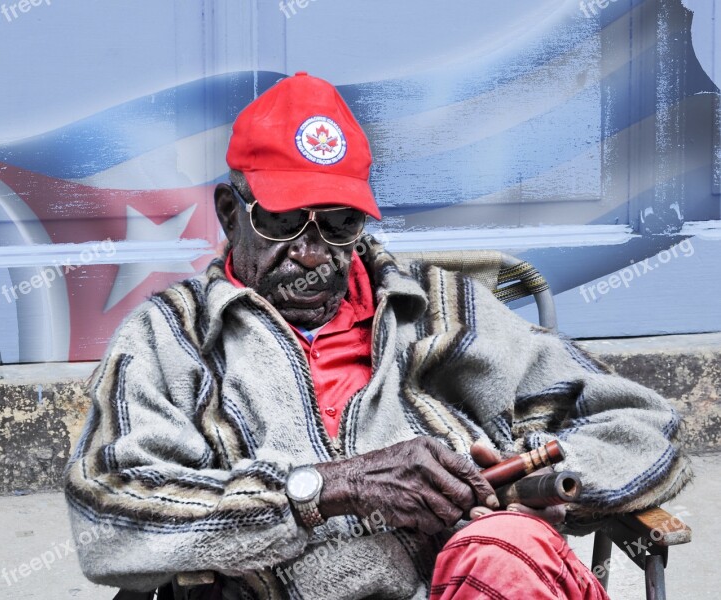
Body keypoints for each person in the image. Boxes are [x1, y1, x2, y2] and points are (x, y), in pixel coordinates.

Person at [64, 72, 692, 600]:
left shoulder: (440, 310)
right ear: (231, 212)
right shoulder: (171, 337)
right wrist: (327, 488)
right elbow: (108, 515)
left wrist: (539, 485)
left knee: (511, 549)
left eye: (338, 223)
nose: (312, 255)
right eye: (283, 220)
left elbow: (640, 423)